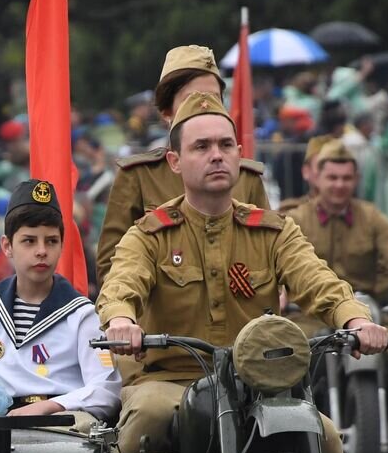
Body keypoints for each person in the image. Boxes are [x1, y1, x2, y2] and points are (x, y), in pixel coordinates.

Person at [98, 94, 384, 453]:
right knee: (142, 426)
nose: (217, 156)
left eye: (225, 145)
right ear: (175, 162)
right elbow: (121, 285)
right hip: (170, 379)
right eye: (201, 146)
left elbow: (319, 282)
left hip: (257, 384)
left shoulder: (271, 231)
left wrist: (355, 318)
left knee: (323, 434)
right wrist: (120, 321)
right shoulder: (148, 234)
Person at [286, 140, 388, 453]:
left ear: (356, 180)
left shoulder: (371, 218)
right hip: (310, 314)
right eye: (332, 177)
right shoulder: (294, 220)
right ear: (315, 179)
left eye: (346, 178)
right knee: (288, 360)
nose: (339, 185)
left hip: (369, 312)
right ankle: (291, 447)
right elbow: (275, 261)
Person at [0, 179, 120, 429]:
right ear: (7, 246)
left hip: (60, 426)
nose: (42, 251)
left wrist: (52, 406)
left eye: (51, 241)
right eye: (29, 241)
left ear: (62, 245)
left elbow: (106, 389)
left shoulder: (81, 313)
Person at [96, 45, 270, 286]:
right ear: (167, 112)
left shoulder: (244, 176)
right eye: (192, 100)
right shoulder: (139, 176)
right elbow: (111, 267)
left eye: (213, 99)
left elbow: (270, 253)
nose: (204, 109)